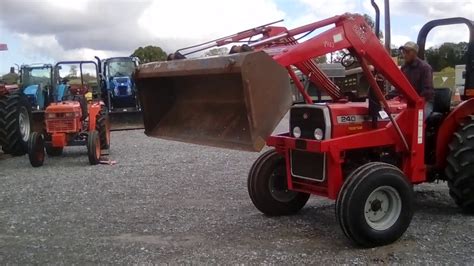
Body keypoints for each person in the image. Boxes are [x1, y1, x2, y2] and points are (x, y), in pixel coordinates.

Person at [399, 41, 434, 118]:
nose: (404, 54)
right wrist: (388, 96)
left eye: (407, 52)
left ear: (415, 53)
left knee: (417, 118)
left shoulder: (425, 68)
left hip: (424, 101)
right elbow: (400, 86)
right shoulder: (404, 68)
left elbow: (427, 91)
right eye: (403, 52)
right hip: (409, 100)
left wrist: (415, 101)